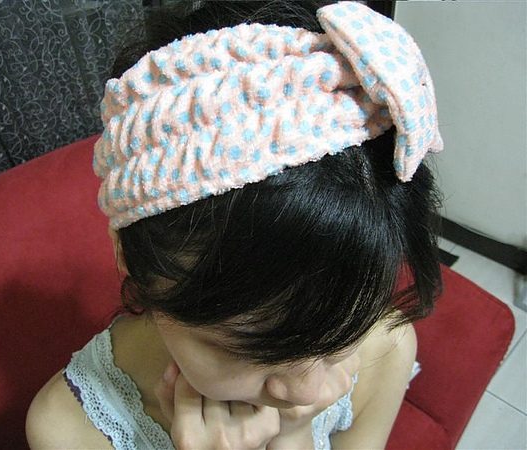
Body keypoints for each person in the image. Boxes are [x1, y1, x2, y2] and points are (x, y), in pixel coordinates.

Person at [26, 1, 444, 448]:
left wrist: (294, 437)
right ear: (130, 259)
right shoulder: (68, 430)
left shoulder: (387, 346)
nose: (309, 393)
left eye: (340, 335)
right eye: (249, 347)